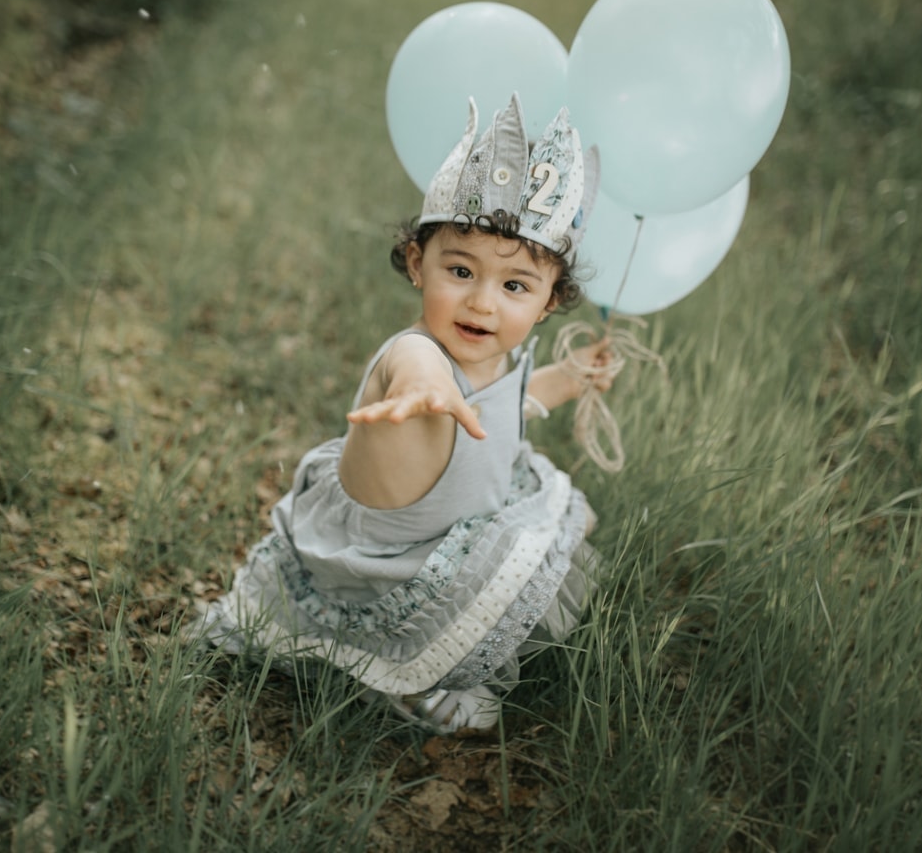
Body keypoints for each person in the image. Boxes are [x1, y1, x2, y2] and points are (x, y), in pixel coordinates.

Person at [191, 93, 613, 733]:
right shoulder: (417, 353)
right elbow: (414, 364)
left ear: (550, 302)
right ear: (418, 264)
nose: (482, 302)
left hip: (451, 527)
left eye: (515, 286)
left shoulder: (497, 354)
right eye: (460, 269)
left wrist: (570, 378)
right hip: (391, 558)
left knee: (547, 549)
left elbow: (512, 408)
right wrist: (426, 388)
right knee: (442, 609)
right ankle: (408, 681)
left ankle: (437, 667)